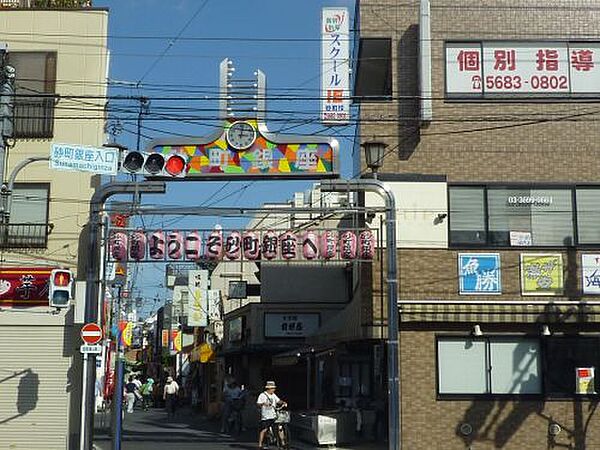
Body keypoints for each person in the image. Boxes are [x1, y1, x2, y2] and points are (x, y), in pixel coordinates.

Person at [257, 381, 287, 450]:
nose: (274, 389)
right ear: (269, 388)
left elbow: (278, 401)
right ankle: (260, 445)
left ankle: (283, 443)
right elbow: (258, 403)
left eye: (274, 388)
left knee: (280, 427)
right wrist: (264, 404)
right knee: (264, 429)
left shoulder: (273, 395)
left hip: (273, 414)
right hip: (266, 415)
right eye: (273, 388)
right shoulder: (262, 395)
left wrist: (283, 402)